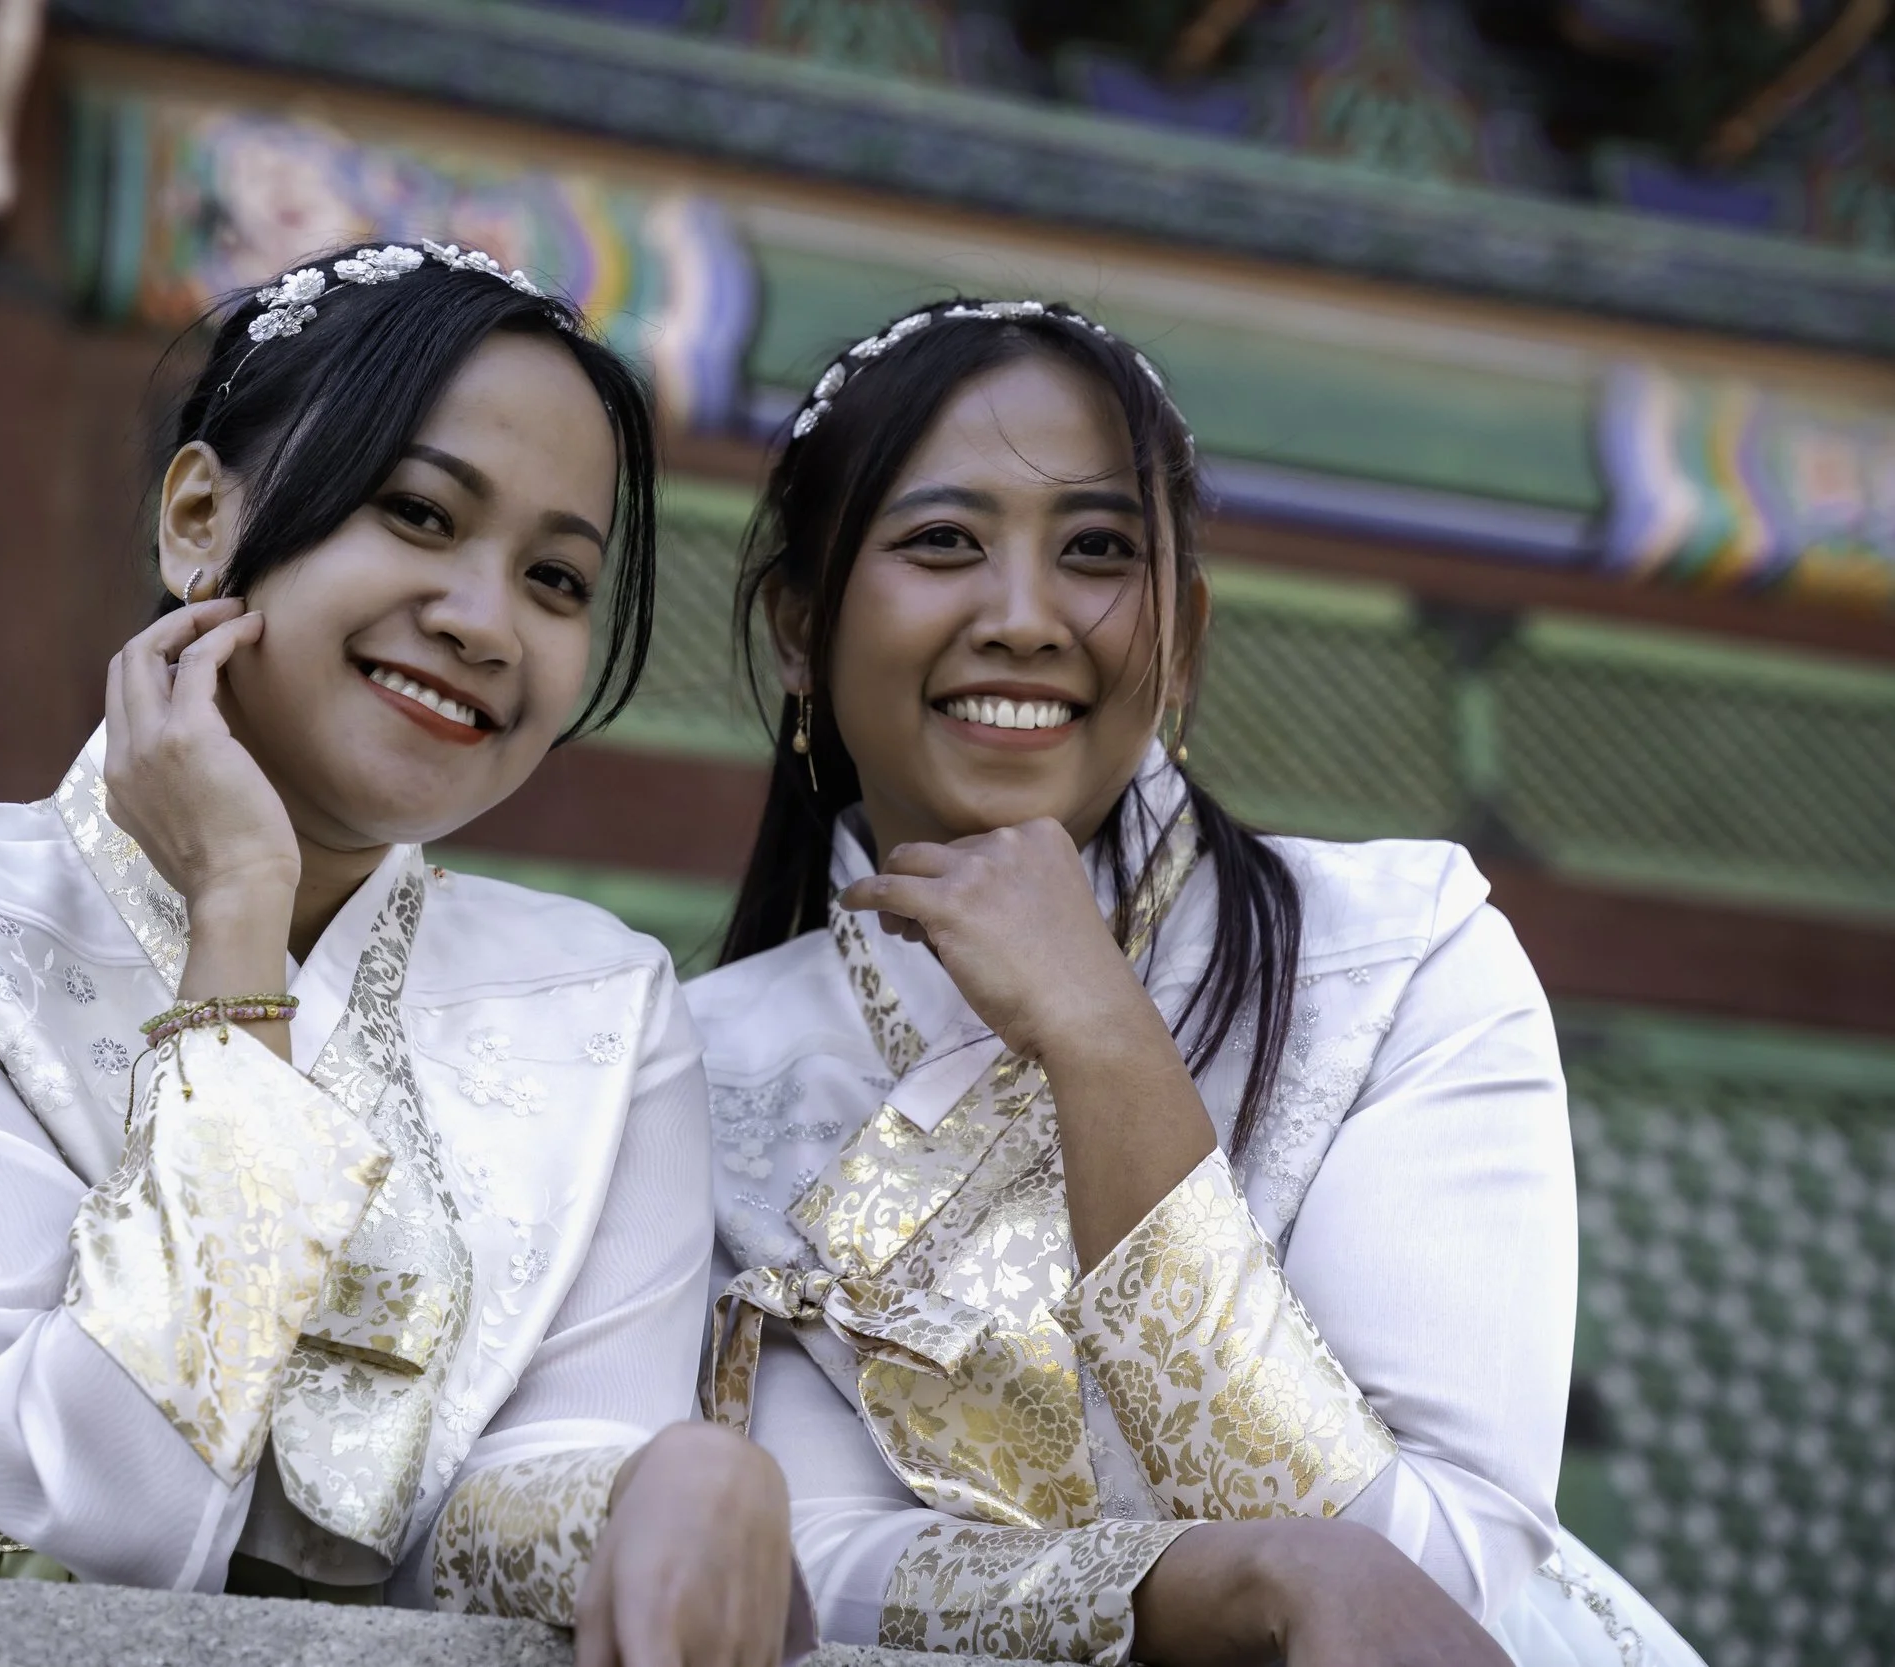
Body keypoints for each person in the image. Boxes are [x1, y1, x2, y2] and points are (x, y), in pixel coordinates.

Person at [0, 240, 795, 1666]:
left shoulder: (607, 1003)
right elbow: (99, 1500)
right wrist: (240, 909)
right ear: (198, 514)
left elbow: (525, 1488)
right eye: (421, 513)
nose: (486, 621)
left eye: (558, 578)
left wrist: (665, 1484)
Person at [683, 295, 1704, 1666]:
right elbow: (801, 1565)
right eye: (943, 543)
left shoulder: (1398, 950)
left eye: (1098, 550)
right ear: (800, 629)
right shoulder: (700, 1059)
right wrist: (1172, 1591)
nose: (1025, 616)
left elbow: (1427, 1573)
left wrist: (1107, 1044)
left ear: (1185, 632)